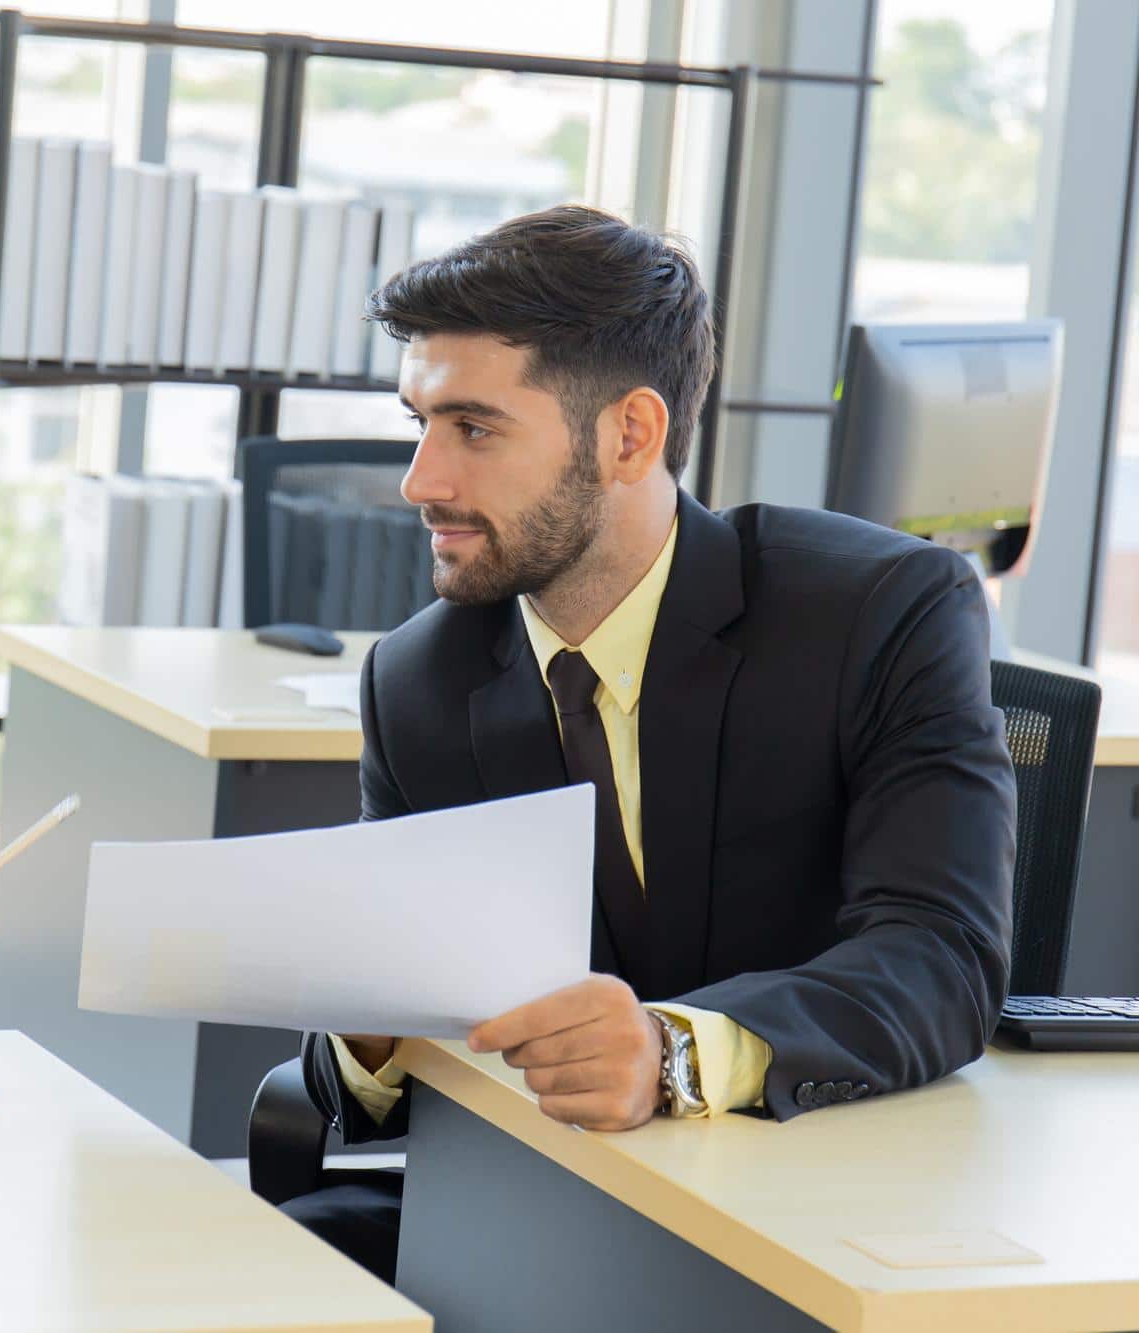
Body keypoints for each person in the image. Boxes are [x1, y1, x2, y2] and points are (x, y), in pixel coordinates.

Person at [283, 205, 1016, 1282]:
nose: (419, 481)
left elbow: (940, 953)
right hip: (536, 1214)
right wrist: (363, 1033)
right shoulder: (417, 679)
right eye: (419, 424)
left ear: (628, 433)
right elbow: (355, 1055)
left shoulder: (877, 613)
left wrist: (672, 1052)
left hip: (818, 1208)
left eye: (473, 430)